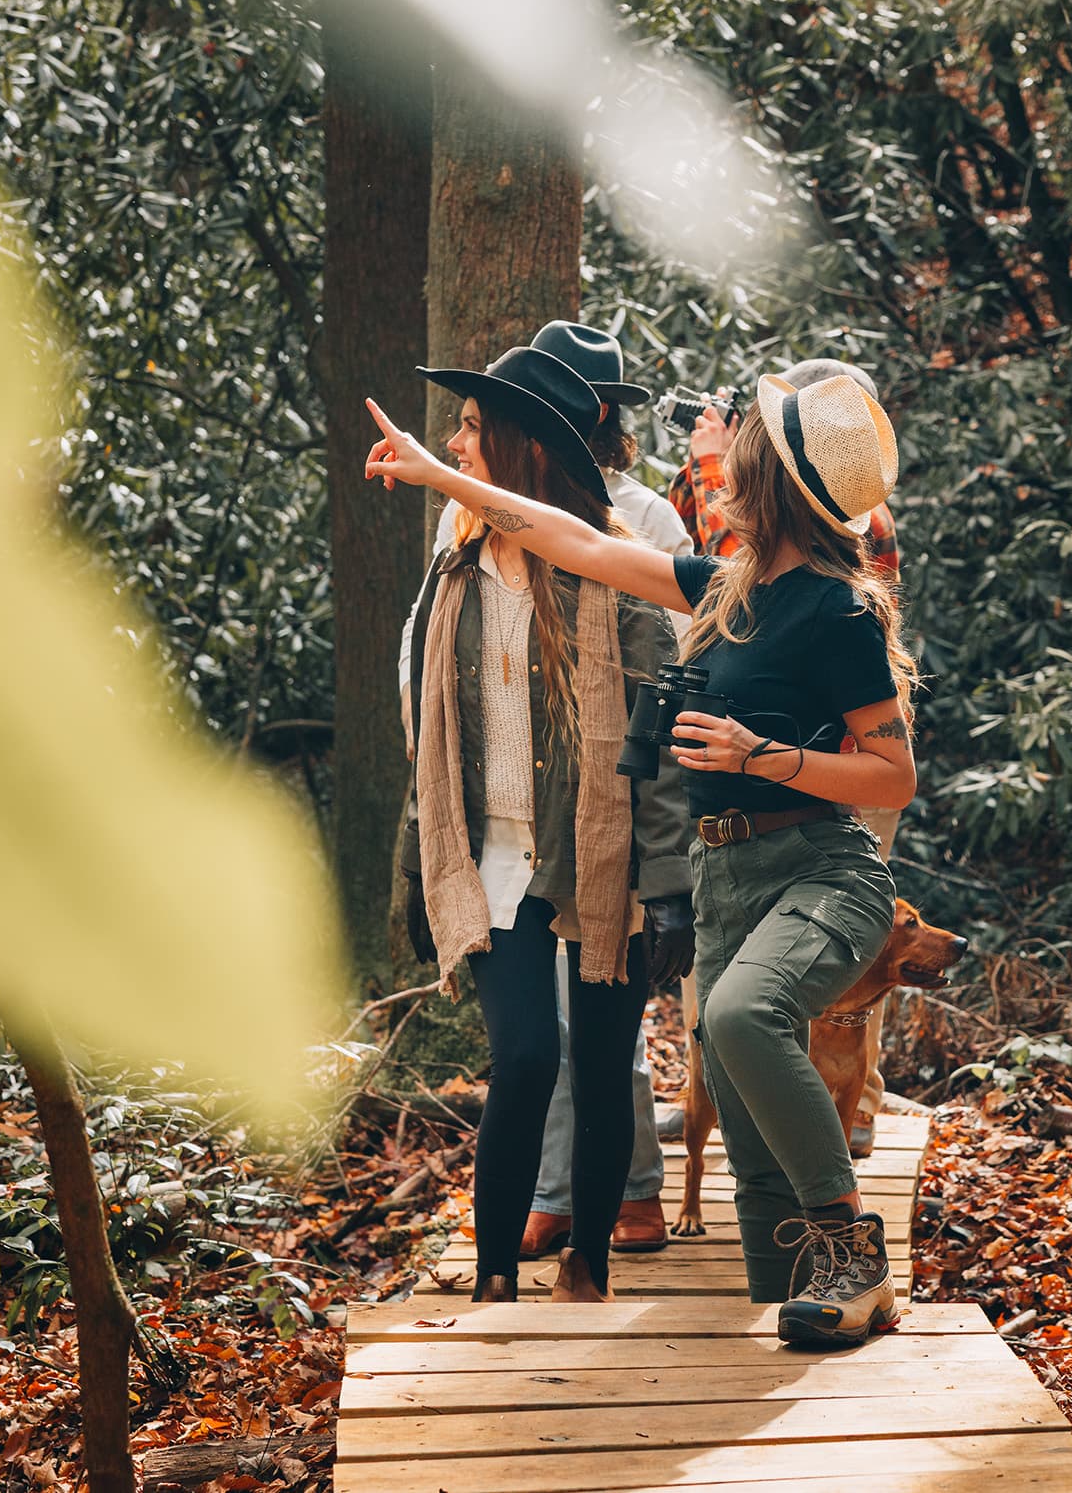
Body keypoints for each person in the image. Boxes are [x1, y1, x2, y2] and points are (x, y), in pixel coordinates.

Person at [370, 358, 918, 1350]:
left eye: (735, 460)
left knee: (746, 1019)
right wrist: (437, 474)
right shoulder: (722, 587)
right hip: (726, 879)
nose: (717, 473)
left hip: (816, 864)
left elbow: (892, 776)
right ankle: (792, 1321)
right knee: (748, 1149)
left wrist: (768, 756)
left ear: (772, 486)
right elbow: (572, 535)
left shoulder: (836, 610)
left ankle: (853, 1249)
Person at [396, 341, 688, 1305]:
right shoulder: (456, 568)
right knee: (522, 1054)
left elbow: (660, 742)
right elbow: (430, 740)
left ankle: (589, 1262)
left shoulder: (610, 569)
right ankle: (490, 1277)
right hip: (495, 856)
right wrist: (417, 870)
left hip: (599, 856)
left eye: (474, 427)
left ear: (520, 445)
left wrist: (670, 887)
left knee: (603, 1065)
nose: (456, 441)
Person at [669, 368, 902, 1156]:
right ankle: (829, 1106)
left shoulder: (834, 594)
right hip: (749, 822)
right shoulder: (778, 564)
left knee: (773, 992)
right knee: (753, 1009)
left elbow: (890, 767)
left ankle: (846, 1117)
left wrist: (759, 753)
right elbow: (600, 549)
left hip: (821, 795)